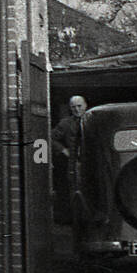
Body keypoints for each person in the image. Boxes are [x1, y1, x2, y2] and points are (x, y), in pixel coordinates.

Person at [51, 95, 87, 223]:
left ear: (85, 105)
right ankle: (76, 221)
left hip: (93, 161)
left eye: (79, 106)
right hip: (75, 163)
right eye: (73, 107)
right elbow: (51, 137)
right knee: (76, 190)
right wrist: (63, 150)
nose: (77, 110)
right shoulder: (66, 123)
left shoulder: (94, 119)